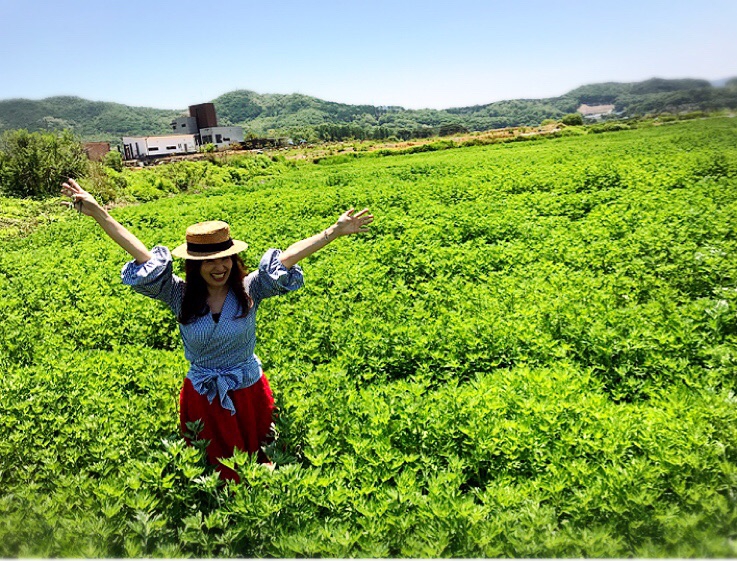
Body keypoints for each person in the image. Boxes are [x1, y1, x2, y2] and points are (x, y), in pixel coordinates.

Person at [60, 178, 373, 481]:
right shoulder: (178, 294)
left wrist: (334, 231)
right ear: (194, 266)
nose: (219, 267)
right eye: (208, 261)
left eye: (225, 258)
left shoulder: (251, 289)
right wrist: (99, 212)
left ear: (234, 259)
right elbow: (140, 253)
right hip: (204, 396)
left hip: (248, 389)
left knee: (260, 465)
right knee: (212, 472)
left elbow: (289, 257)